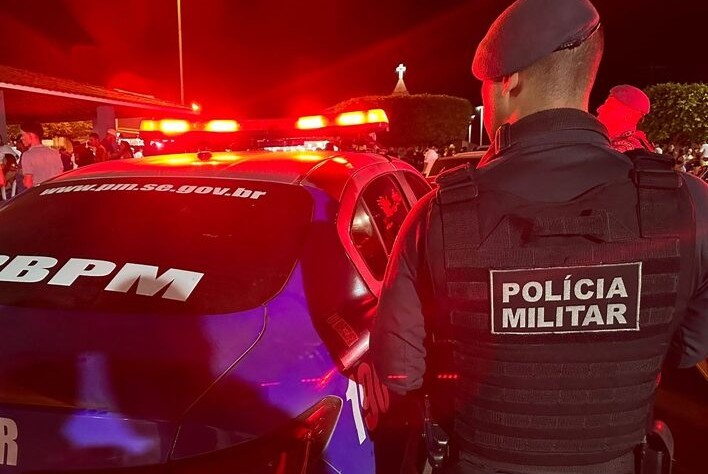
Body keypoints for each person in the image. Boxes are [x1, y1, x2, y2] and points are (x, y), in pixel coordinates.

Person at [371, 1, 708, 473]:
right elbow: (689, 349)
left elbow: (399, 371)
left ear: (508, 82)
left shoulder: (438, 214)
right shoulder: (688, 203)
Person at [597, 84, 654, 153]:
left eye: (609, 107)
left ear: (628, 117)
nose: (599, 109)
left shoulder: (625, 149)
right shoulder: (610, 141)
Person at [19, 122, 63, 189]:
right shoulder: (54, 153)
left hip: (38, 193)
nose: (21, 138)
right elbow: (60, 175)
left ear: (31, 135)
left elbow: (28, 183)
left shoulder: (27, 155)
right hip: (54, 192)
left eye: (23, 135)